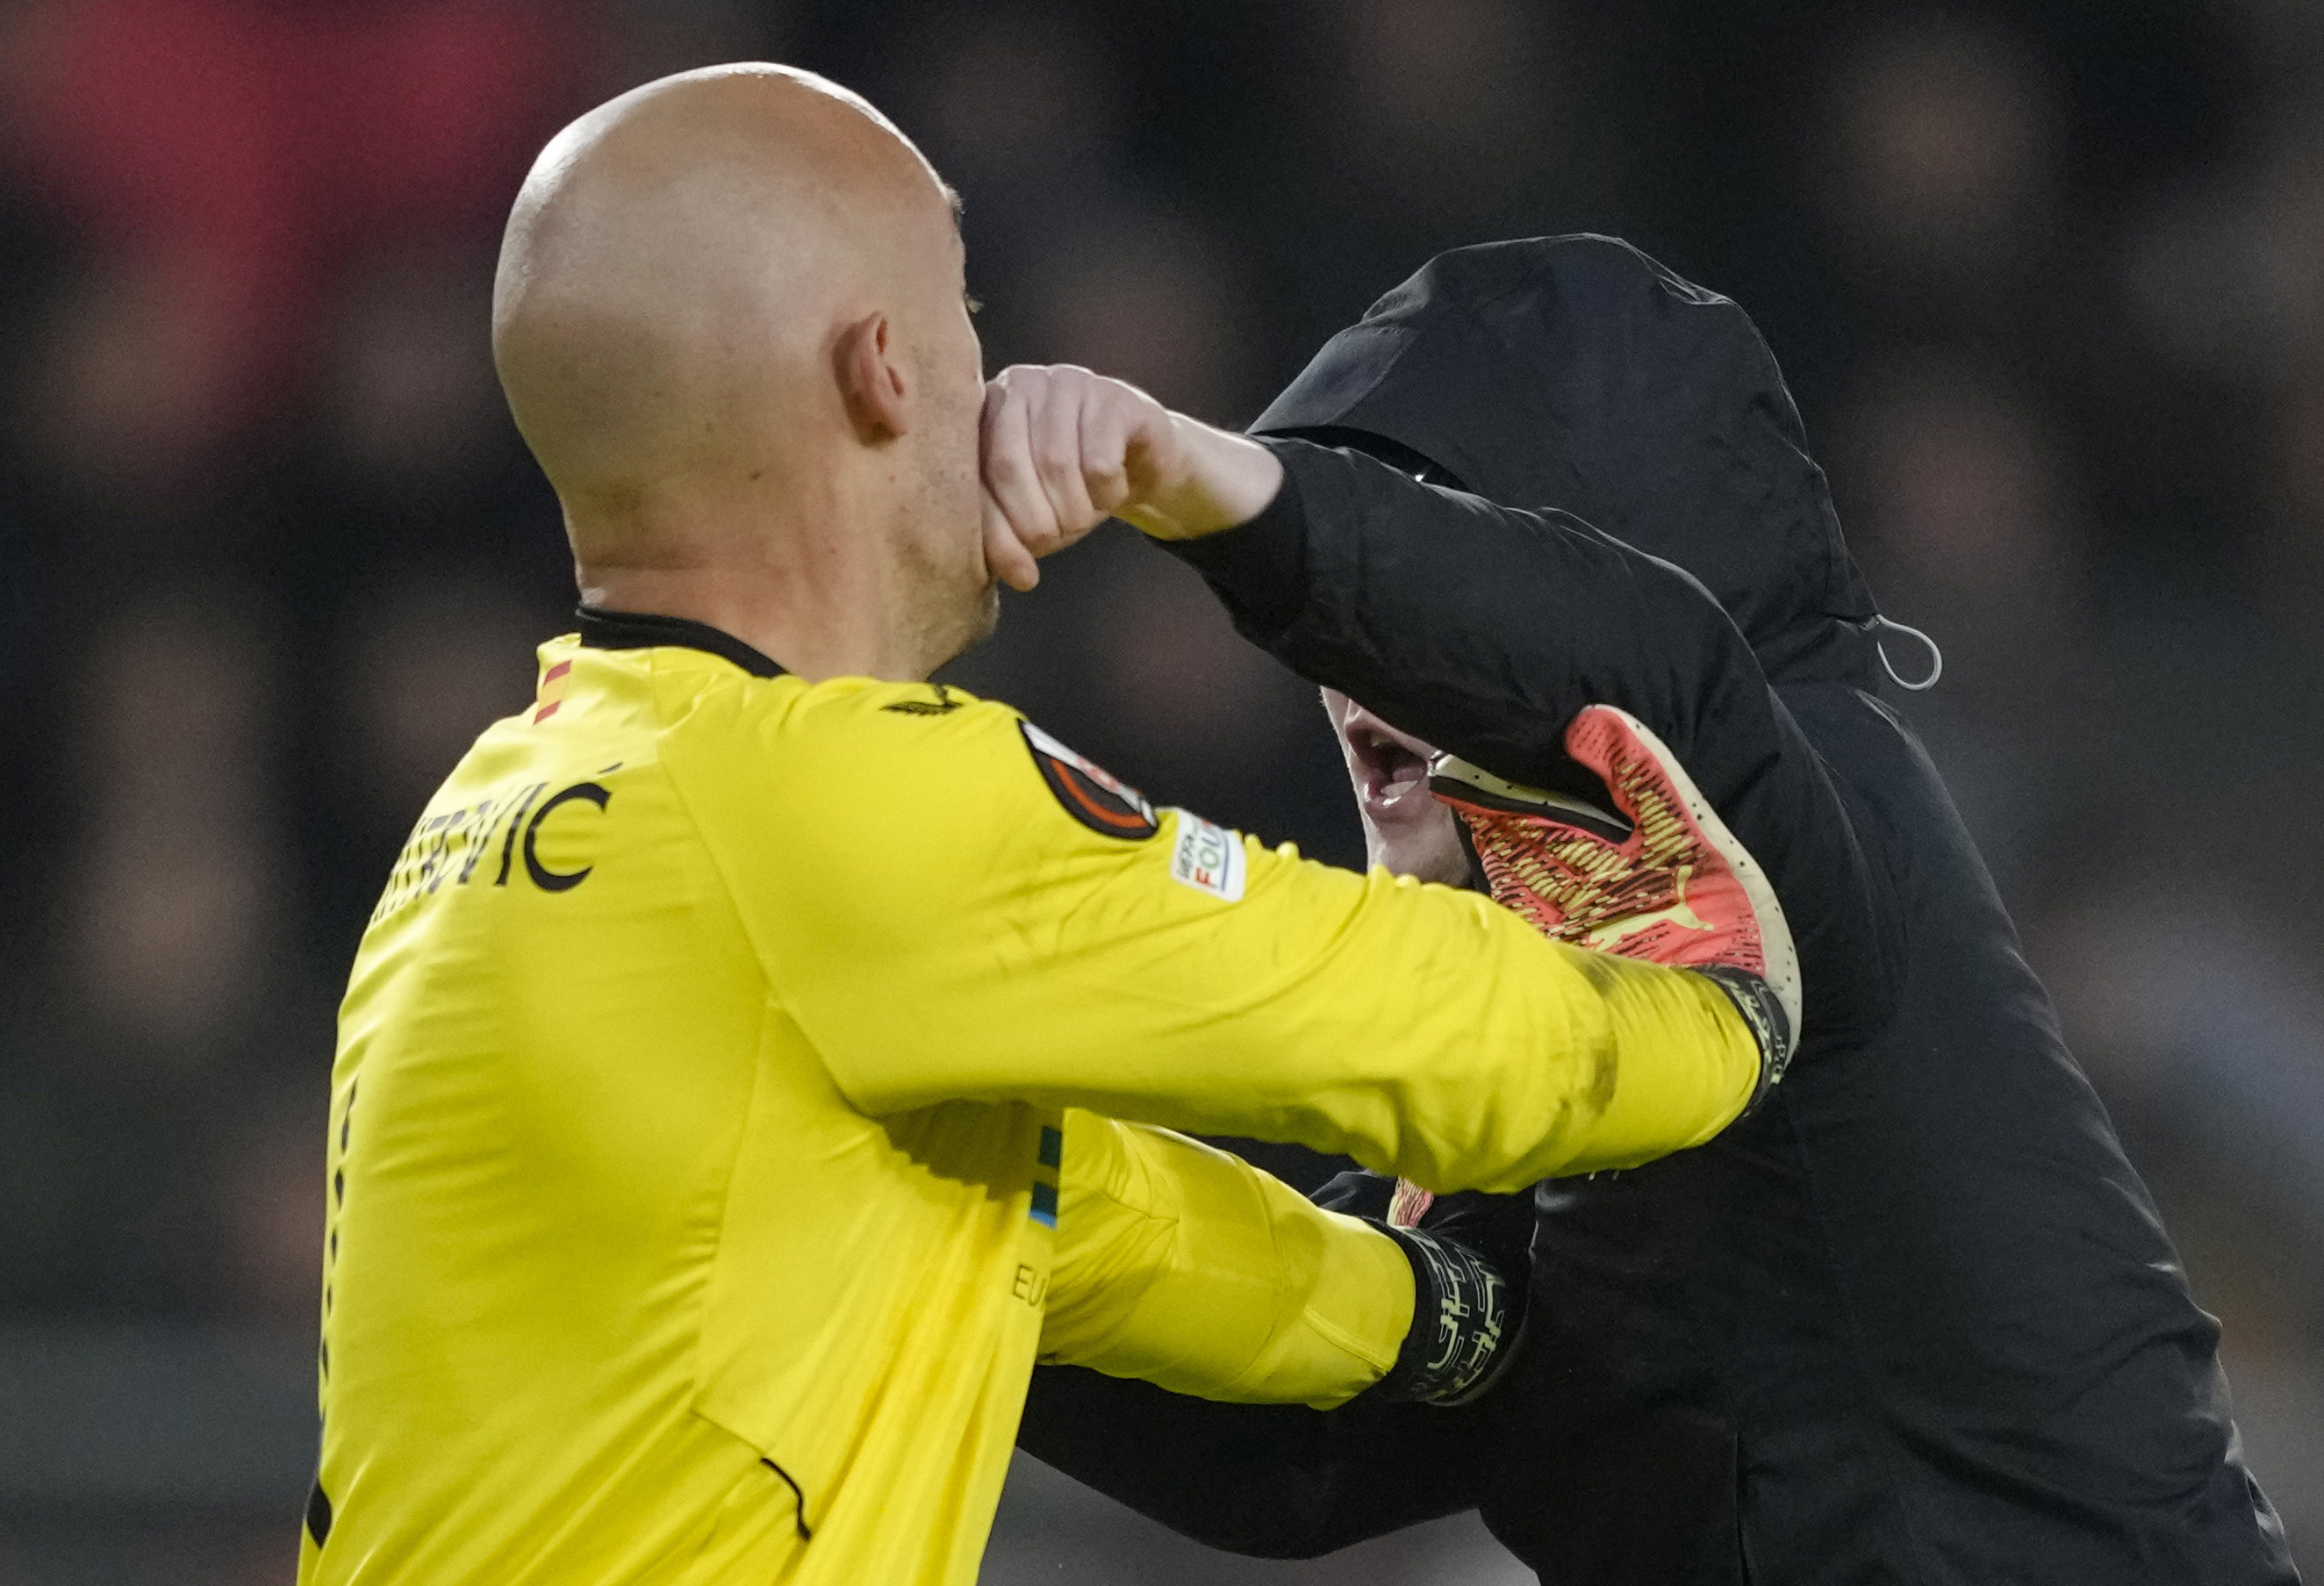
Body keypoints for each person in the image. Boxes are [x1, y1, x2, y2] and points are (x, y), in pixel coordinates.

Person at [300, 76, 1802, 1586]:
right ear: (884, 369)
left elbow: (1088, 1222)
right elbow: (1406, 1018)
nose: (995, 379)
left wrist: (1428, 1315)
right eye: (965, 317)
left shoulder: (505, 811)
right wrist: (1719, 1016)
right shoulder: (836, 801)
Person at [1007, 237, 2299, 1583]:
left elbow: (1641, 667)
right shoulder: (1530, 1047)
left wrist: (1209, 484)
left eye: (1430, 534)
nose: (1330, 668)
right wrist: (943, 1216)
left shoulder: (1821, 794)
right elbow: (1310, 1443)